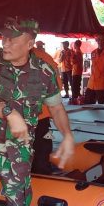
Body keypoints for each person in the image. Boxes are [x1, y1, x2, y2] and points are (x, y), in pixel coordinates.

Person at [0, 16, 74, 206]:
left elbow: (56, 108)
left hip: (19, 155)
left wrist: (67, 135)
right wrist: (11, 114)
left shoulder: (44, 72)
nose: (5, 43)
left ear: (30, 43)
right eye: (4, 37)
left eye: (13, 39)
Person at [31, 46, 63, 174]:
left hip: (38, 116)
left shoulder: (42, 57)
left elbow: (56, 85)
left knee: (41, 149)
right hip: (28, 117)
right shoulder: (5, 56)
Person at [84, 32, 104, 104]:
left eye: (102, 39)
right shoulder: (93, 52)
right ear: (96, 40)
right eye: (98, 39)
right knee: (88, 104)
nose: (100, 41)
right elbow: (92, 67)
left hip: (103, 84)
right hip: (91, 83)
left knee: (101, 105)